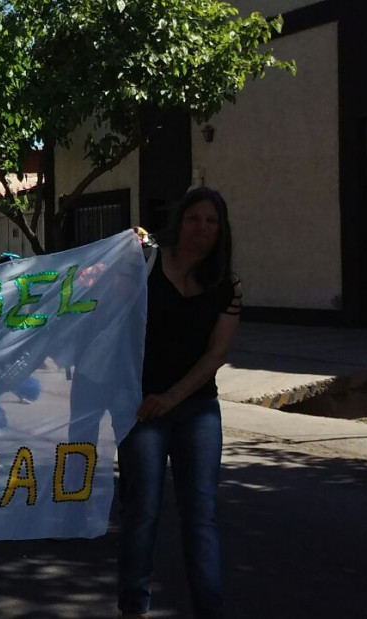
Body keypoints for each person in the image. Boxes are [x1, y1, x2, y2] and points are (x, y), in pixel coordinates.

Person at [117, 187, 242, 619]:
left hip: (195, 409)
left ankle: (210, 610)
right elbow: (98, 291)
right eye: (195, 218)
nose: (203, 228)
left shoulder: (228, 285)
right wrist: (122, 245)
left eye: (212, 221)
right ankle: (133, 609)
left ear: (221, 230)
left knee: (201, 517)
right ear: (179, 220)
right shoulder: (145, 263)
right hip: (140, 409)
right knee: (142, 513)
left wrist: (170, 398)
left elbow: (216, 355)